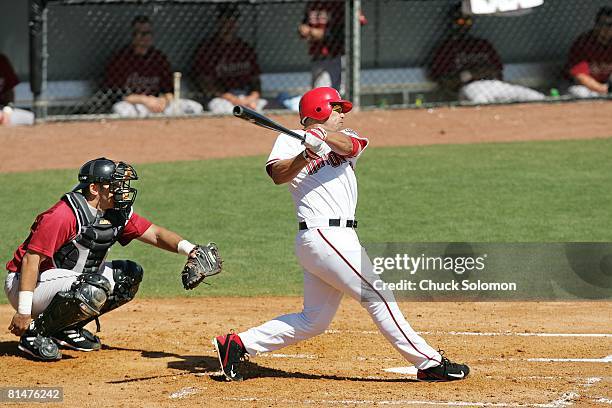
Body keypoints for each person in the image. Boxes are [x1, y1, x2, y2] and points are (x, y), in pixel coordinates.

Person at [211, 87, 470, 382]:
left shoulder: (342, 137)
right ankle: (429, 363)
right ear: (319, 110)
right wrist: (304, 155)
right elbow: (278, 175)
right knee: (378, 296)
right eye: (336, 109)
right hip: (323, 235)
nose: (343, 114)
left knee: (314, 320)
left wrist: (323, 137)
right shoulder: (287, 140)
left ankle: (237, 344)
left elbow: (353, 146)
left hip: (337, 239)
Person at [4, 158, 218, 361]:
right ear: (94, 188)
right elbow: (31, 260)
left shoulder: (115, 212)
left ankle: (65, 329)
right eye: (114, 185)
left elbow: (155, 234)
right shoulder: (64, 215)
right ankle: (34, 334)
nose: (122, 190)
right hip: (28, 284)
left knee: (129, 276)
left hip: (70, 284)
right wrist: (23, 311)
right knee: (91, 286)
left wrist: (192, 250)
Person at [428, 3, 545, 104]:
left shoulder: (482, 44)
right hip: (470, 87)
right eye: (460, 20)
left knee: (536, 97)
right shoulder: (446, 48)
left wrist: (468, 74)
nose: (464, 24)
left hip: (495, 85)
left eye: (467, 20)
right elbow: (444, 81)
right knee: (480, 103)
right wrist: (473, 73)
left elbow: (497, 71)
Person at [105, 15, 202, 117]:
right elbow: (117, 95)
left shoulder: (159, 58)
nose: (140, 37)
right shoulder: (121, 59)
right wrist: (145, 100)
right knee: (122, 110)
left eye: (145, 33)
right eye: (136, 33)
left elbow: (169, 91)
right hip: (136, 105)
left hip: (159, 103)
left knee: (195, 107)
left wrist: (163, 101)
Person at [193, 4, 266, 114]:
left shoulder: (244, 48)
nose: (228, 27)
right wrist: (233, 99)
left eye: (232, 22)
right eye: (224, 23)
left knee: (265, 107)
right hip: (222, 98)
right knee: (221, 109)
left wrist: (252, 97)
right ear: (218, 23)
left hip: (245, 95)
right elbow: (205, 84)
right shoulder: (208, 49)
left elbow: (256, 80)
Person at [566, 6, 612, 98]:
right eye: (602, 24)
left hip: (609, 84)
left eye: (610, 24)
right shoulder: (584, 43)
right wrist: (605, 90)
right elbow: (580, 75)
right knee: (579, 93)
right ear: (596, 25)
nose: (605, 28)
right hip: (588, 88)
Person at [0, 53, 35, 126]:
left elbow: (9, 93)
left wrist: (7, 111)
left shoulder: (2, 60)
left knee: (31, 118)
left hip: (2, 110)